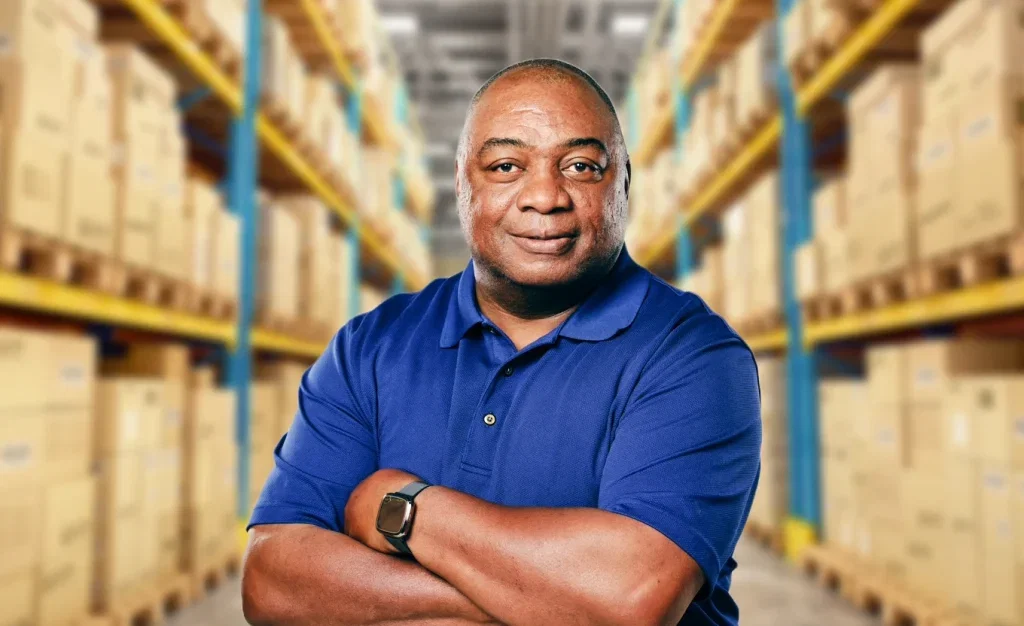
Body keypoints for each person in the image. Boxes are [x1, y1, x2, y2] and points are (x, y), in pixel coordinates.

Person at [242, 59, 761, 626]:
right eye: (506, 165)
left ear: (623, 183)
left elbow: (630, 600)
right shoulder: (368, 348)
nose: (544, 196)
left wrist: (407, 510)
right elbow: (273, 583)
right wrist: (530, 599)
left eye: (581, 166)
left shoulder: (695, 357)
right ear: (463, 184)